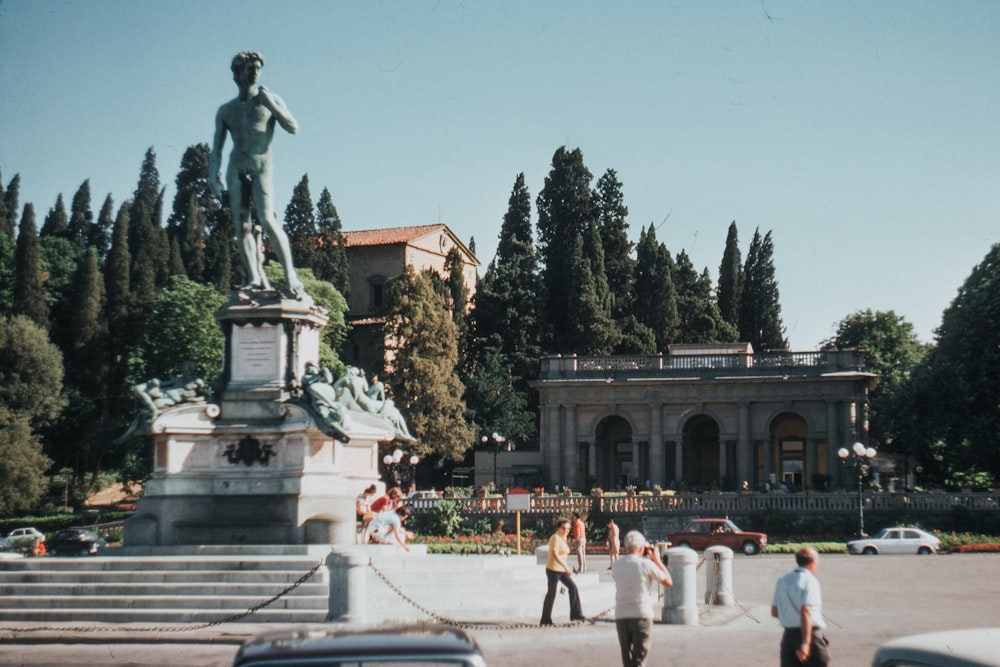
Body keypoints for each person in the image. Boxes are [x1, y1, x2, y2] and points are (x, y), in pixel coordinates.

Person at [209, 50, 304, 298]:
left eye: (258, 69)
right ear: (237, 74)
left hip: (262, 166)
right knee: (242, 227)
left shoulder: (269, 99)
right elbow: (216, 149)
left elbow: (293, 127)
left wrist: (271, 103)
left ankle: (291, 276)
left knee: (267, 219)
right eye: (250, 69)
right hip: (235, 168)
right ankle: (254, 279)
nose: (256, 74)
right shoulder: (226, 110)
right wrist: (213, 178)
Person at [611, 531, 673, 667]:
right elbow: (668, 581)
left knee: (627, 659)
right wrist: (657, 560)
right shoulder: (645, 564)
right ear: (642, 548)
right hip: (641, 614)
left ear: (626, 547)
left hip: (621, 615)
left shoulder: (616, 565)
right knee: (639, 660)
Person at [771, 546, 831, 666]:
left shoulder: (782, 580)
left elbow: (774, 611)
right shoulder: (809, 581)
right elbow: (806, 611)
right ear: (813, 562)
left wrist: (790, 618)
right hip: (810, 636)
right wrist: (805, 643)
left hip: (788, 637)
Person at [539, 517, 585, 626]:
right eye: (563, 528)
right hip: (553, 569)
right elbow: (555, 554)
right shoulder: (555, 538)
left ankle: (575, 614)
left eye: (568, 529)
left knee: (573, 587)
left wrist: (565, 568)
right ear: (558, 528)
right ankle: (545, 619)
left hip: (561, 570)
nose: (566, 531)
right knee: (552, 593)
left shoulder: (563, 538)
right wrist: (566, 567)